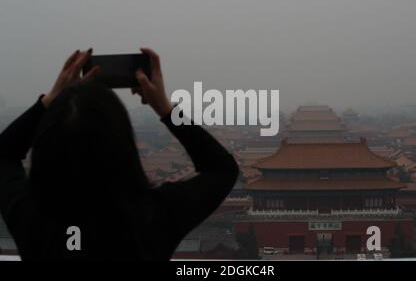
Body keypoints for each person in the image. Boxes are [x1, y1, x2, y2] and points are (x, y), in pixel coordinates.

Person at [0, 48, 239, 260]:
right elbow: (222, 169)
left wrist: (49, 101)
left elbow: (3, 155)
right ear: (124, 146)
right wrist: (165, 108)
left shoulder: (33, 221)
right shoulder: (153, 217)